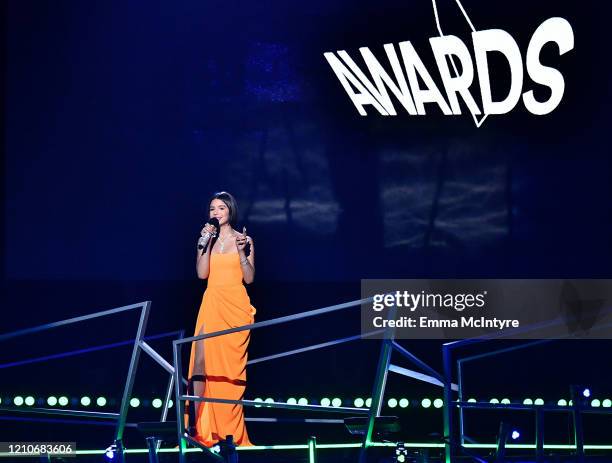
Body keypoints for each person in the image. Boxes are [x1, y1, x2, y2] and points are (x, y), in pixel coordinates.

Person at [187, 191, 255, 447]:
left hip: (235, 307)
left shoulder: (244, 239)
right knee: (200, 365)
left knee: (227, 372)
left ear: (230, 211)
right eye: (212, 209)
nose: (216, 212)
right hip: (212, 303)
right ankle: (197, 427)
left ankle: (229, 433)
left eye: (221, 208)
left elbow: (249, 278)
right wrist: (201, 245)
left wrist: (241, 253)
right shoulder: (207, 239)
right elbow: (202, 274)